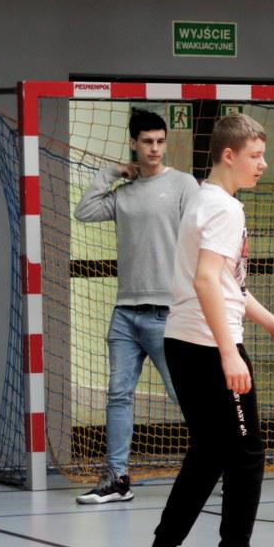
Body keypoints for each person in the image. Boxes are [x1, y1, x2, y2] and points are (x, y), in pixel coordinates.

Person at [129, 113, 274, 547]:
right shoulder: (225, 209)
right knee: (246, 455)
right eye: (256, 156)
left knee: (209, 452)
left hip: (184, 342)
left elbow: (227, 285)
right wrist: (230, 353)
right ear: (229, 155)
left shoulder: (204, 200)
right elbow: (207, 281)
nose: (263, 164)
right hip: (208, 346)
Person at [73, 110, 197, 504]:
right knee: (118, 395)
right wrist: (111, 173)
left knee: (185, 395)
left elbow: (201, 237)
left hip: (167, 313)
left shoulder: (184, 185)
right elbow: (84, 210)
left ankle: (220, 461)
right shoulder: (123, 194)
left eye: (160, 141)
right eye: (147, 141)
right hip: (125, 313)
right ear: (134, 144)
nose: (155, 148)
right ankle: (117, 478)